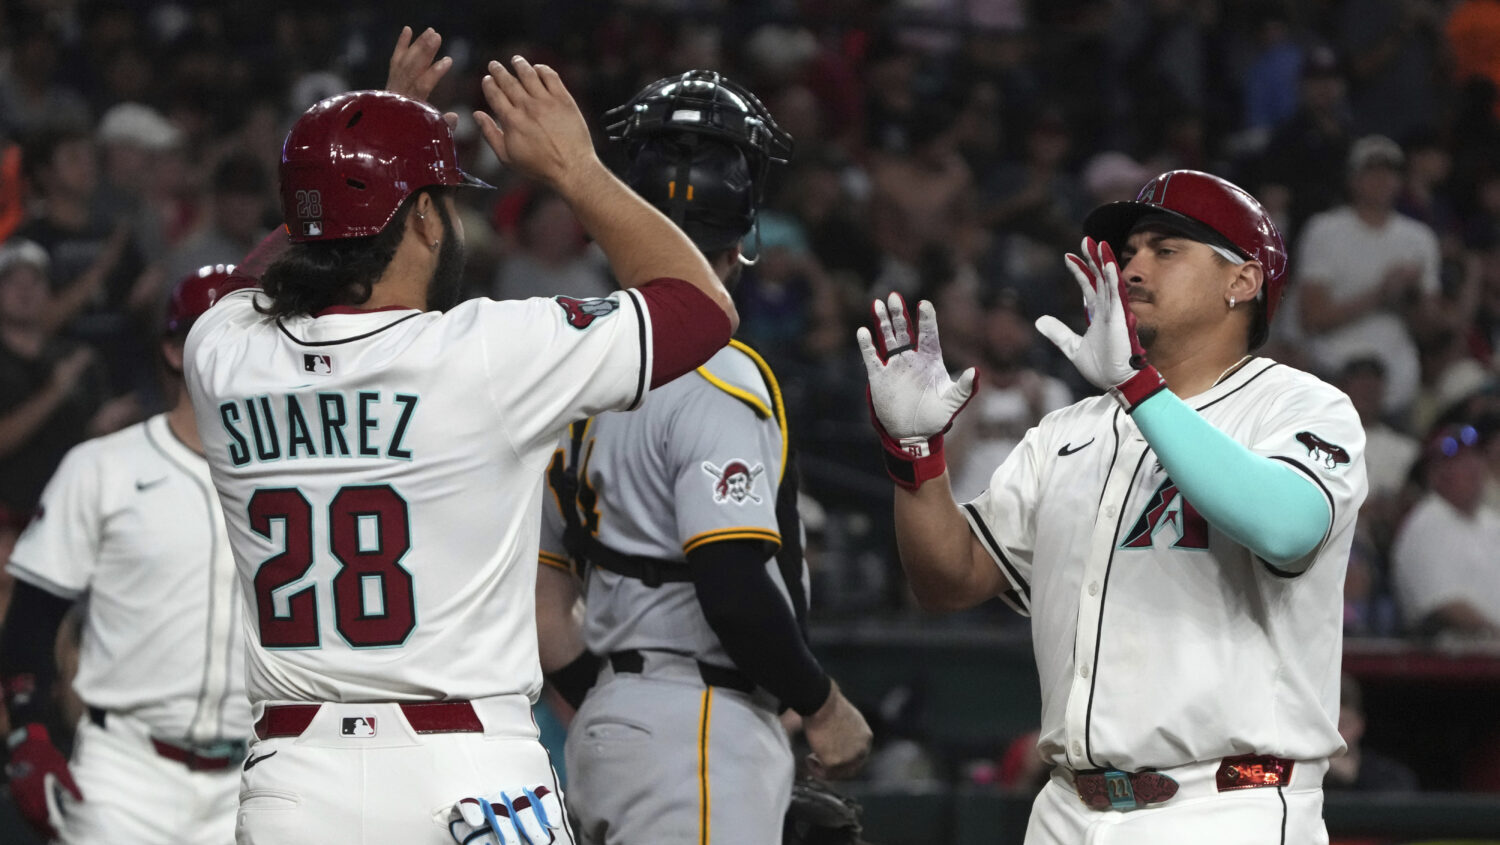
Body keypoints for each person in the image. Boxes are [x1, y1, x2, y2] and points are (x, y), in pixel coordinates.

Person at [181, 45, 740, 845]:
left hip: (295, 784)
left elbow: (256, 278)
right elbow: (702, 306)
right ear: (418, 220)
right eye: (442, 201)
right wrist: (576, 169)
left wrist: (351, 168)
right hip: (469, 774)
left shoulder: (222, 351)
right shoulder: (486, 353)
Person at [859, 170, 1368, 842]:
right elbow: (947, 580)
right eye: (1127, 252)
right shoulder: (1070, 432)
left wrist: (1137, 387)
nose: (1131, 267)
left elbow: (1287, 526)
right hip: (1067, 807)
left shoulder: (1299, 407)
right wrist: (917, 453)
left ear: (1241, 281)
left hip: (1223, 804)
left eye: (1166, 249)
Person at [532, 71, 871, 845]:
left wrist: (618, 709)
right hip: (698, 721)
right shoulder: (719, 371)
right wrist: (822, 705)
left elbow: (544, 607)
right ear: (744, 231)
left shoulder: (563, 370)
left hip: (606, 726)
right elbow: (732, 582)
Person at [0, 265, 254, 843]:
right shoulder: (103, 468)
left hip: (252, 776)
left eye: (251, 330)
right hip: (124, 777)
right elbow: (29, 627)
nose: (238, 347)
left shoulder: (294, 482)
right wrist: (29, 735)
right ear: (172, 348)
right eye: (216, 330)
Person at [1391, 422, 1500, 638]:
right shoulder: (1425, 523)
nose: (1473, 467)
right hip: (1451, 660)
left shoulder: (1491, 522)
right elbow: (1443, 605)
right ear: (1434, 473)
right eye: (1459, 461)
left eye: (1476, 458)